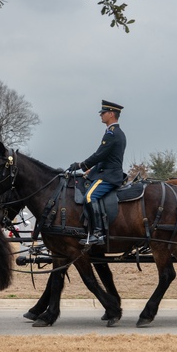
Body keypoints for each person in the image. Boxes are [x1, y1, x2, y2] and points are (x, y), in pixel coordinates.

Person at [69, 100, 126, 246]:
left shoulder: (112, 134)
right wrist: (89, 171)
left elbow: (99, 155)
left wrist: (81, 165)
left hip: (109, 176)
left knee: (89, 196)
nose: (101, 115)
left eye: (104, 112)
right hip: (107, 172)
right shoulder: (114, 132)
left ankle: (98, 233)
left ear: (111, 114)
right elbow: (105, 158)